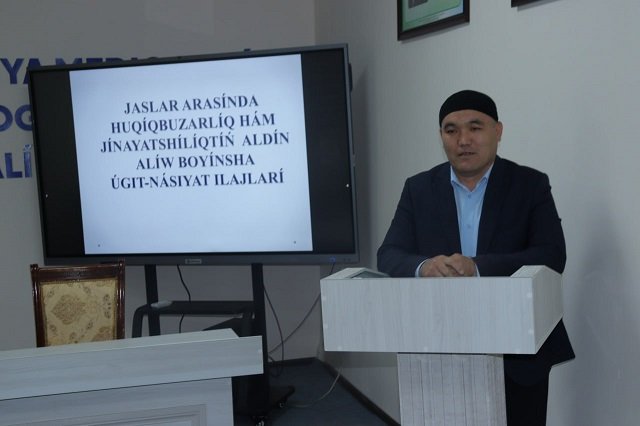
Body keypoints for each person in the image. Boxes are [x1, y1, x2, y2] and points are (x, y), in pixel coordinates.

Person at [377, 90, 574, 425]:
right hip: (439, 346)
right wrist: (424, 267)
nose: (463, 140)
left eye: (475, 127)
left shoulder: (529, 184)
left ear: (498, 131)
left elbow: (551, 254)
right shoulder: (418, 188)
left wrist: (478, 267)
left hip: (518, 349)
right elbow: (389, 254)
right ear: (441, 136)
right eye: (451, 130)